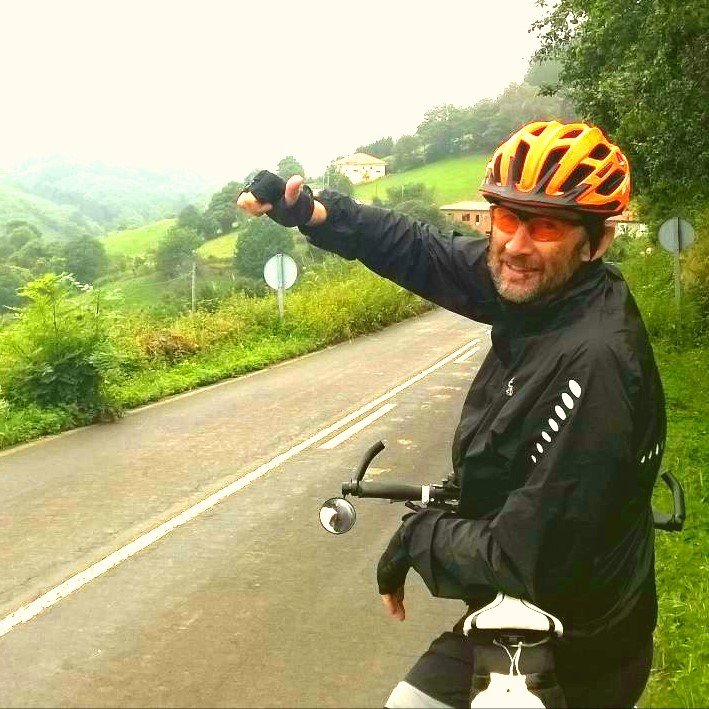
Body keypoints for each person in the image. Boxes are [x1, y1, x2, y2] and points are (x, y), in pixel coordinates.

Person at [236, 120, 665, 708]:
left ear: (597, 242)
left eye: (545, 226)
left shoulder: (594, 363)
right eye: (507, 218)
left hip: (578, 645)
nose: (515, 244)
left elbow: (525, 558)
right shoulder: (548, 291)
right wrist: (317, 214)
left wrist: (419, 536)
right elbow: (423, 251)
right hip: (518, 618)